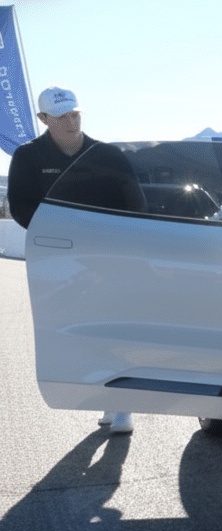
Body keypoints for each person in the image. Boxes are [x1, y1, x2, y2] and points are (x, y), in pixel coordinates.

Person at [6, 86, 146, 435]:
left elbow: (136, 203)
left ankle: (122, 404)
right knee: (78, 333)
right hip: (58, 257)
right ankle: (103, 395)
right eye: (62, 117)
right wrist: (60, 236)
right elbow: (22, 206)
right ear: (43, 119)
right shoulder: (27, 156)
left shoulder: (108, 155)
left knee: (115, 327)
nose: (71, 122)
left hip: (110, 256)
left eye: (75, 114)